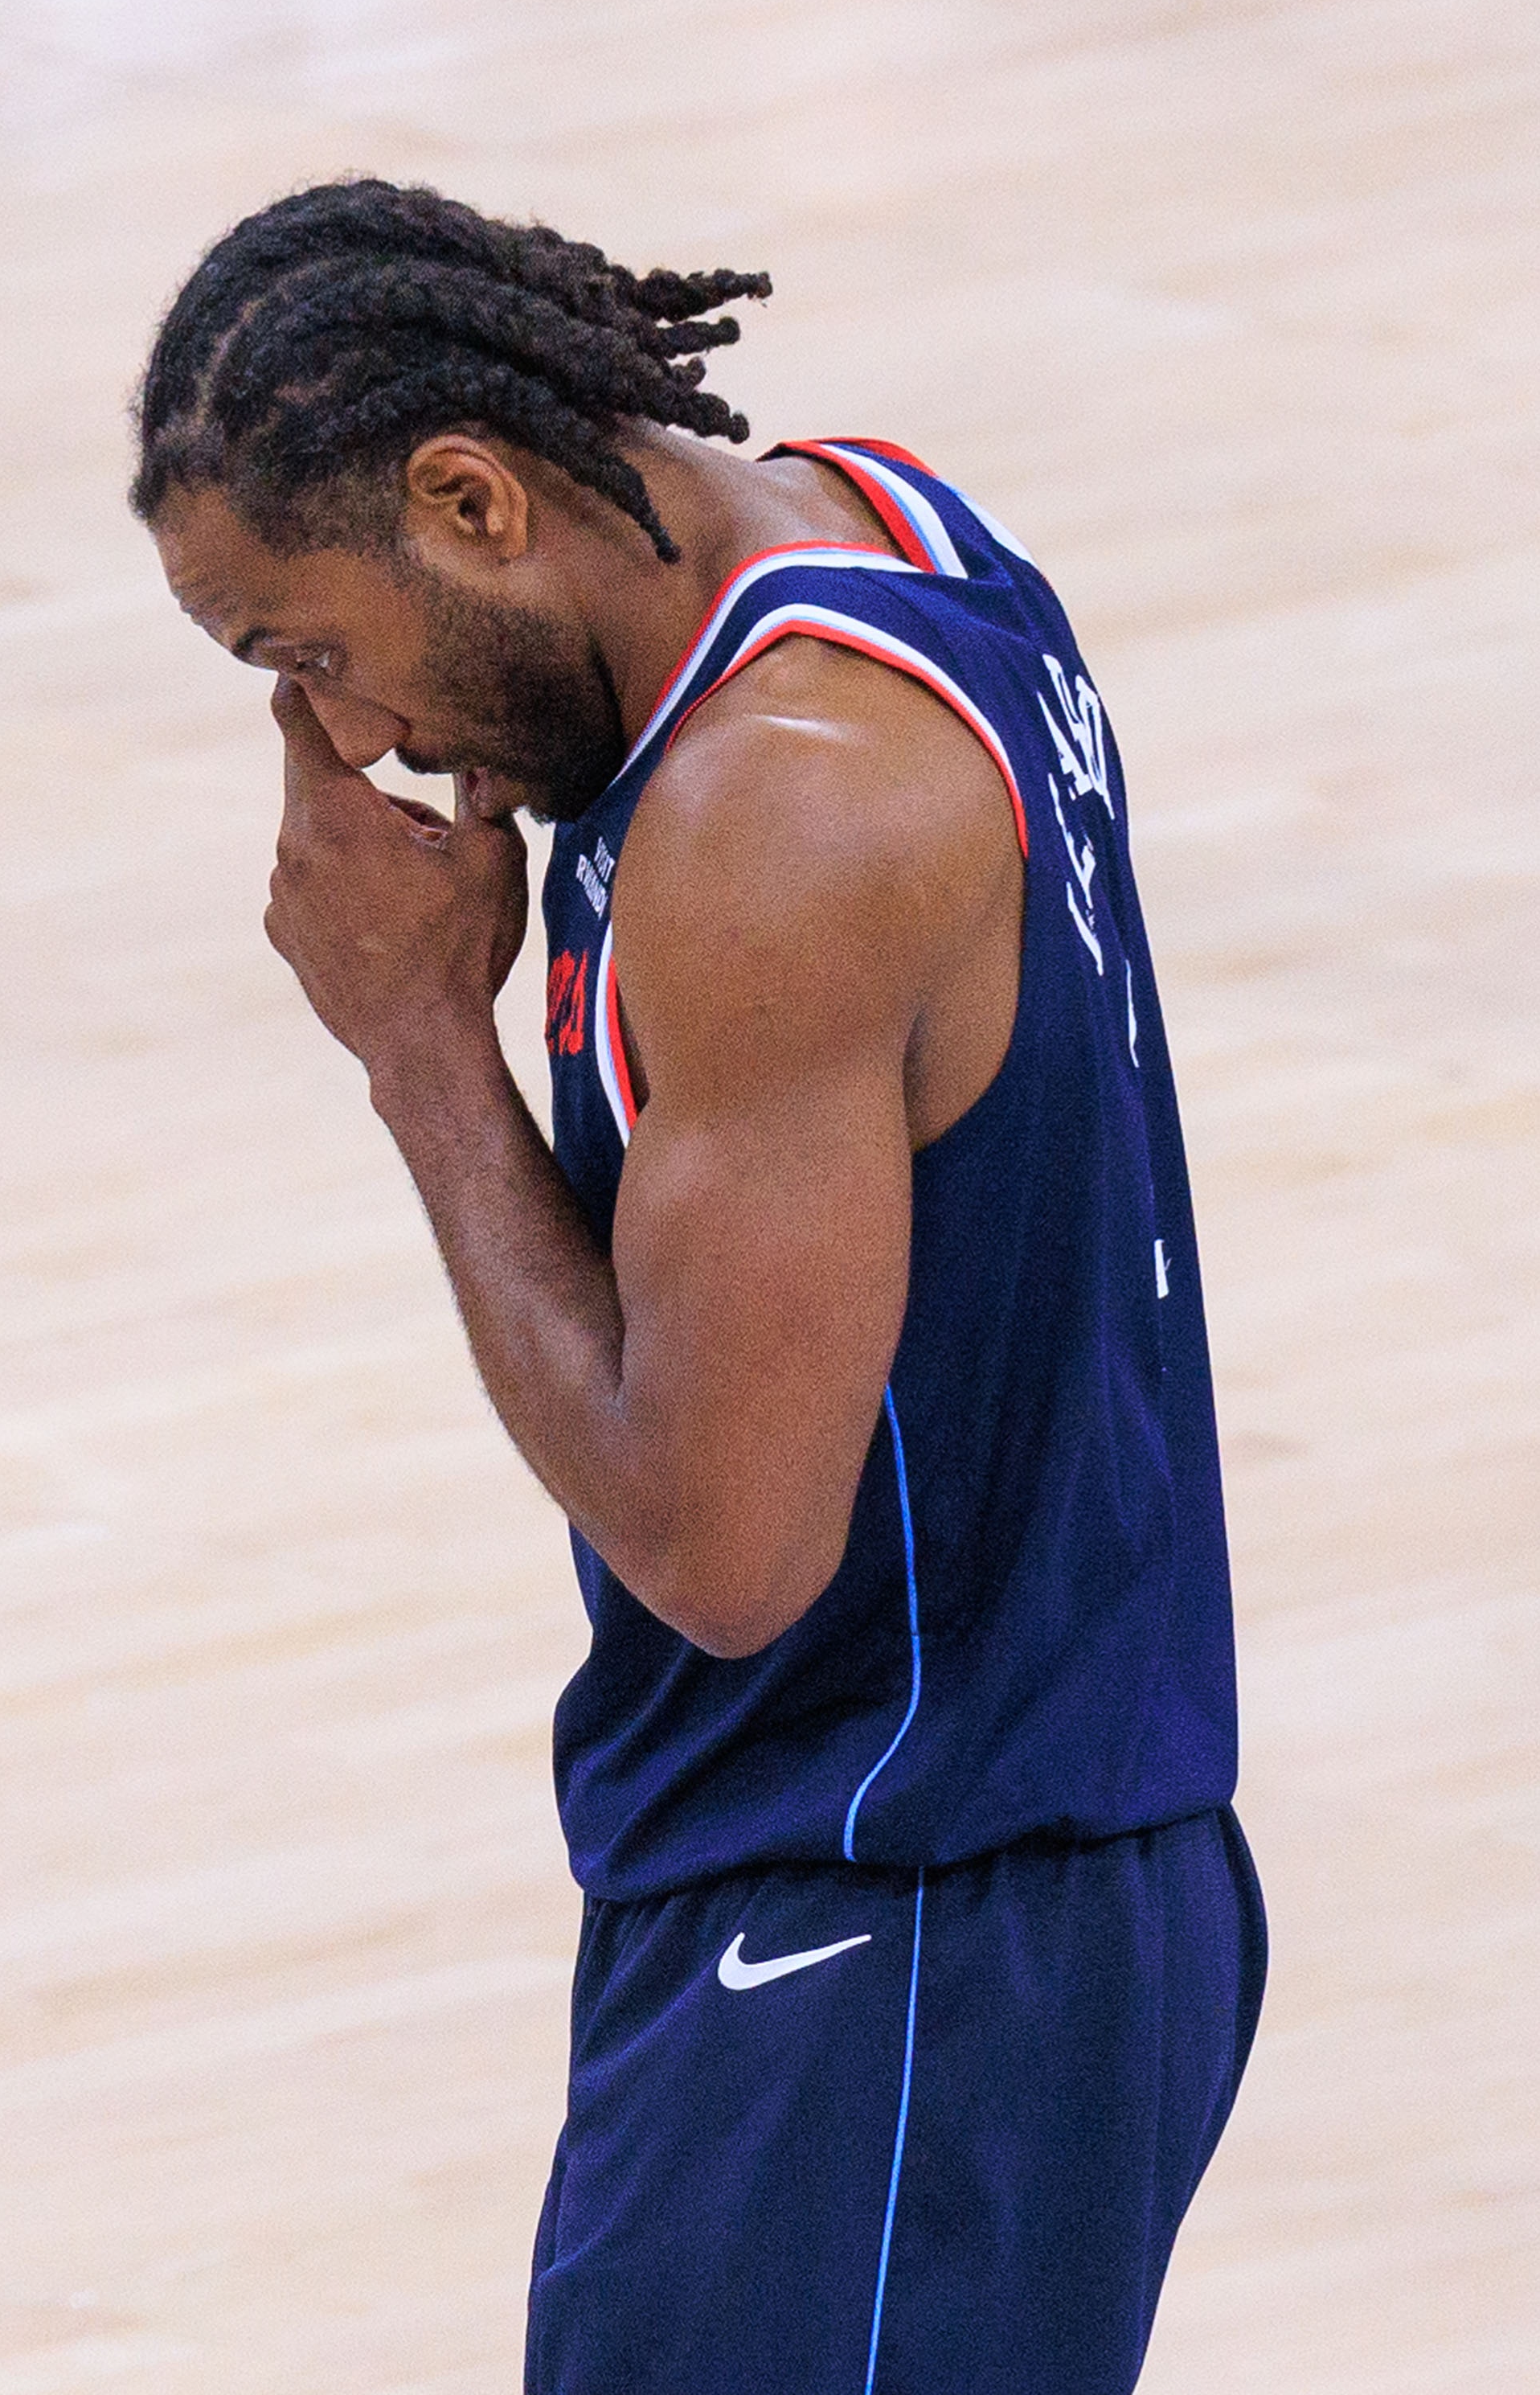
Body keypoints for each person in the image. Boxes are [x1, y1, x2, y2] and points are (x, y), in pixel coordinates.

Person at [131, 178, 1266, 2395]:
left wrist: (419, 1048)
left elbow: (729, 1550)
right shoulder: (891, 525)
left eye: (306, 652)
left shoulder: (774, 821)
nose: (339, 742)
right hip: (982, 1873)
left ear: (471, 501)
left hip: (894, 1917)